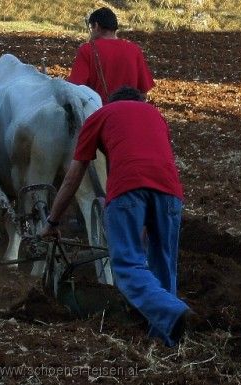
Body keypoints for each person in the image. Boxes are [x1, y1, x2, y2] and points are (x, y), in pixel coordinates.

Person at [39, 86, 192, 347]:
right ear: (139, 100)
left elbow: (74, 176)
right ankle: (166, 340)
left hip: (128, 190)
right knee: (164, 264)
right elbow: (153, 162)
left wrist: (52, 221)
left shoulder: (100, 115)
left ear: (111, 102)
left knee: (127, 266)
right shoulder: (156, 116)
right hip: (170, 193)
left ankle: (173, 310)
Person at [68, 7, 154, 103]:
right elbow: (143, 92)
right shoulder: (134, 49)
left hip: (99, 114)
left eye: (91, 28)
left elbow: (75, 89)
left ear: (96, 26)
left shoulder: (87, 49)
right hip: (129, 112)